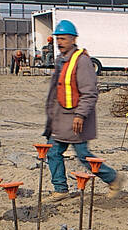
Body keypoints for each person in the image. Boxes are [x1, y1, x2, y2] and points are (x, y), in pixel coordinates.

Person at [43, 20, 119, 196]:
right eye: (58, 39)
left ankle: (113, 178)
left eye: (63, 39)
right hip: (61, 119)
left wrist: (80, 115)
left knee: (83, 155)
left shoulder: (82, 61)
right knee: (53, 152)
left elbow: (90, 92)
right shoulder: (61, 61)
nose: (59, 42)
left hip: (76, 120)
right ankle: (60, 189)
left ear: (73, 39)